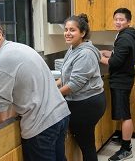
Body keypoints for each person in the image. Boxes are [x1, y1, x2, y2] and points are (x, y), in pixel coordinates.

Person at [0, 15, 71, 161]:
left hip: (41, 126)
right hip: (59, 115)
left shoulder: (0, 62)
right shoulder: (19, 47)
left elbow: (1, 115)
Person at [57, 13, 106, 161]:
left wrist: (55, 94)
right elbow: (65, 77)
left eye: (72, 30)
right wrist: (52, 87)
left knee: (86, 145)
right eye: (66, 29)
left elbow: (75, 84)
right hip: (83, 102)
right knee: (86, 142)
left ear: (82, 33)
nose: (67, 33)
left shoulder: (85, 53)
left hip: (87, 104)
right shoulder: (73, 48)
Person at [100, 8, 135, 161]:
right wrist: (107, 52)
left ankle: (126, 148)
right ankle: (124, 138)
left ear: (128, 21)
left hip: (121, 81)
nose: (118, 22)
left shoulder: (124, 38)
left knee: (125, 115)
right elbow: (120, 55)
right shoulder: (127, 35)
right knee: (123, 113)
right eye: (116, 19)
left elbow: (115, 63)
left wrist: (97, 56)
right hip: (125, 79)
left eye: (121, 19)